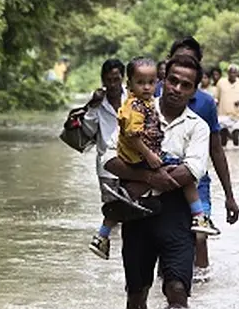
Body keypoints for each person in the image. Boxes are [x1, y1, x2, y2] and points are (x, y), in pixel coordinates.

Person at [102, 55, 211, 309]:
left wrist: (154, 177)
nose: (177, 88)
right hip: (136, 212)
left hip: (177, 213)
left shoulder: (198, 127)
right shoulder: (132, 112)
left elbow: (193, 169)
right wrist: (149, 178)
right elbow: (108, 159)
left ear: (193, 91)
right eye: (173, 81)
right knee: (136, 295)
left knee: (177, 290)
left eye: (186, 85)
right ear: (163, 80)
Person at [90, 57, 218, 259]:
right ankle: (199, 216)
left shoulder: (150, 107)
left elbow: (195, 167)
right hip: (139, 157)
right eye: (141, 83)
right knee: (181, 172)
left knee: (125, 198)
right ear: (130, 85)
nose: (147, 87)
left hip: (146, 169)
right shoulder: (136, 107)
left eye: (150, 82)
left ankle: (102, 236)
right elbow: (129, 138)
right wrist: (149, 169)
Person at [164, 38, 239, 281]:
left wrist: (230, 195)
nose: (178, 88)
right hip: (160, 179)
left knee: (199, 234)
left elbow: (216, 150)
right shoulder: (153, 95)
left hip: (197, 181)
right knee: (162, 240)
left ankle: (201, 284)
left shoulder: (206, 103)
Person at [80, 58, 126, 205]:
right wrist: (93, 107)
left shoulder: (132, 98)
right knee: (111, 209)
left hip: (132, 162)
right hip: (106, 164)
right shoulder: (97, 102)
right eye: (108, 80)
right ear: (103, 80)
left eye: (116, 79)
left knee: (132, 208)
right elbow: (88, 131)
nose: (112, 84)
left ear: (123, 78)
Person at [215, 63, 239, 147]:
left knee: (236, 137)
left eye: (235, 72)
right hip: (222, 115)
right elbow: (216, 98)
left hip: (237, 115)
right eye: (231, 72)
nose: (232, 74)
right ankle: (224, 155)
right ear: (227, 73)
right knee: (223, 140)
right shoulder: (221, 82)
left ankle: (237, 155)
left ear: (237, 73)